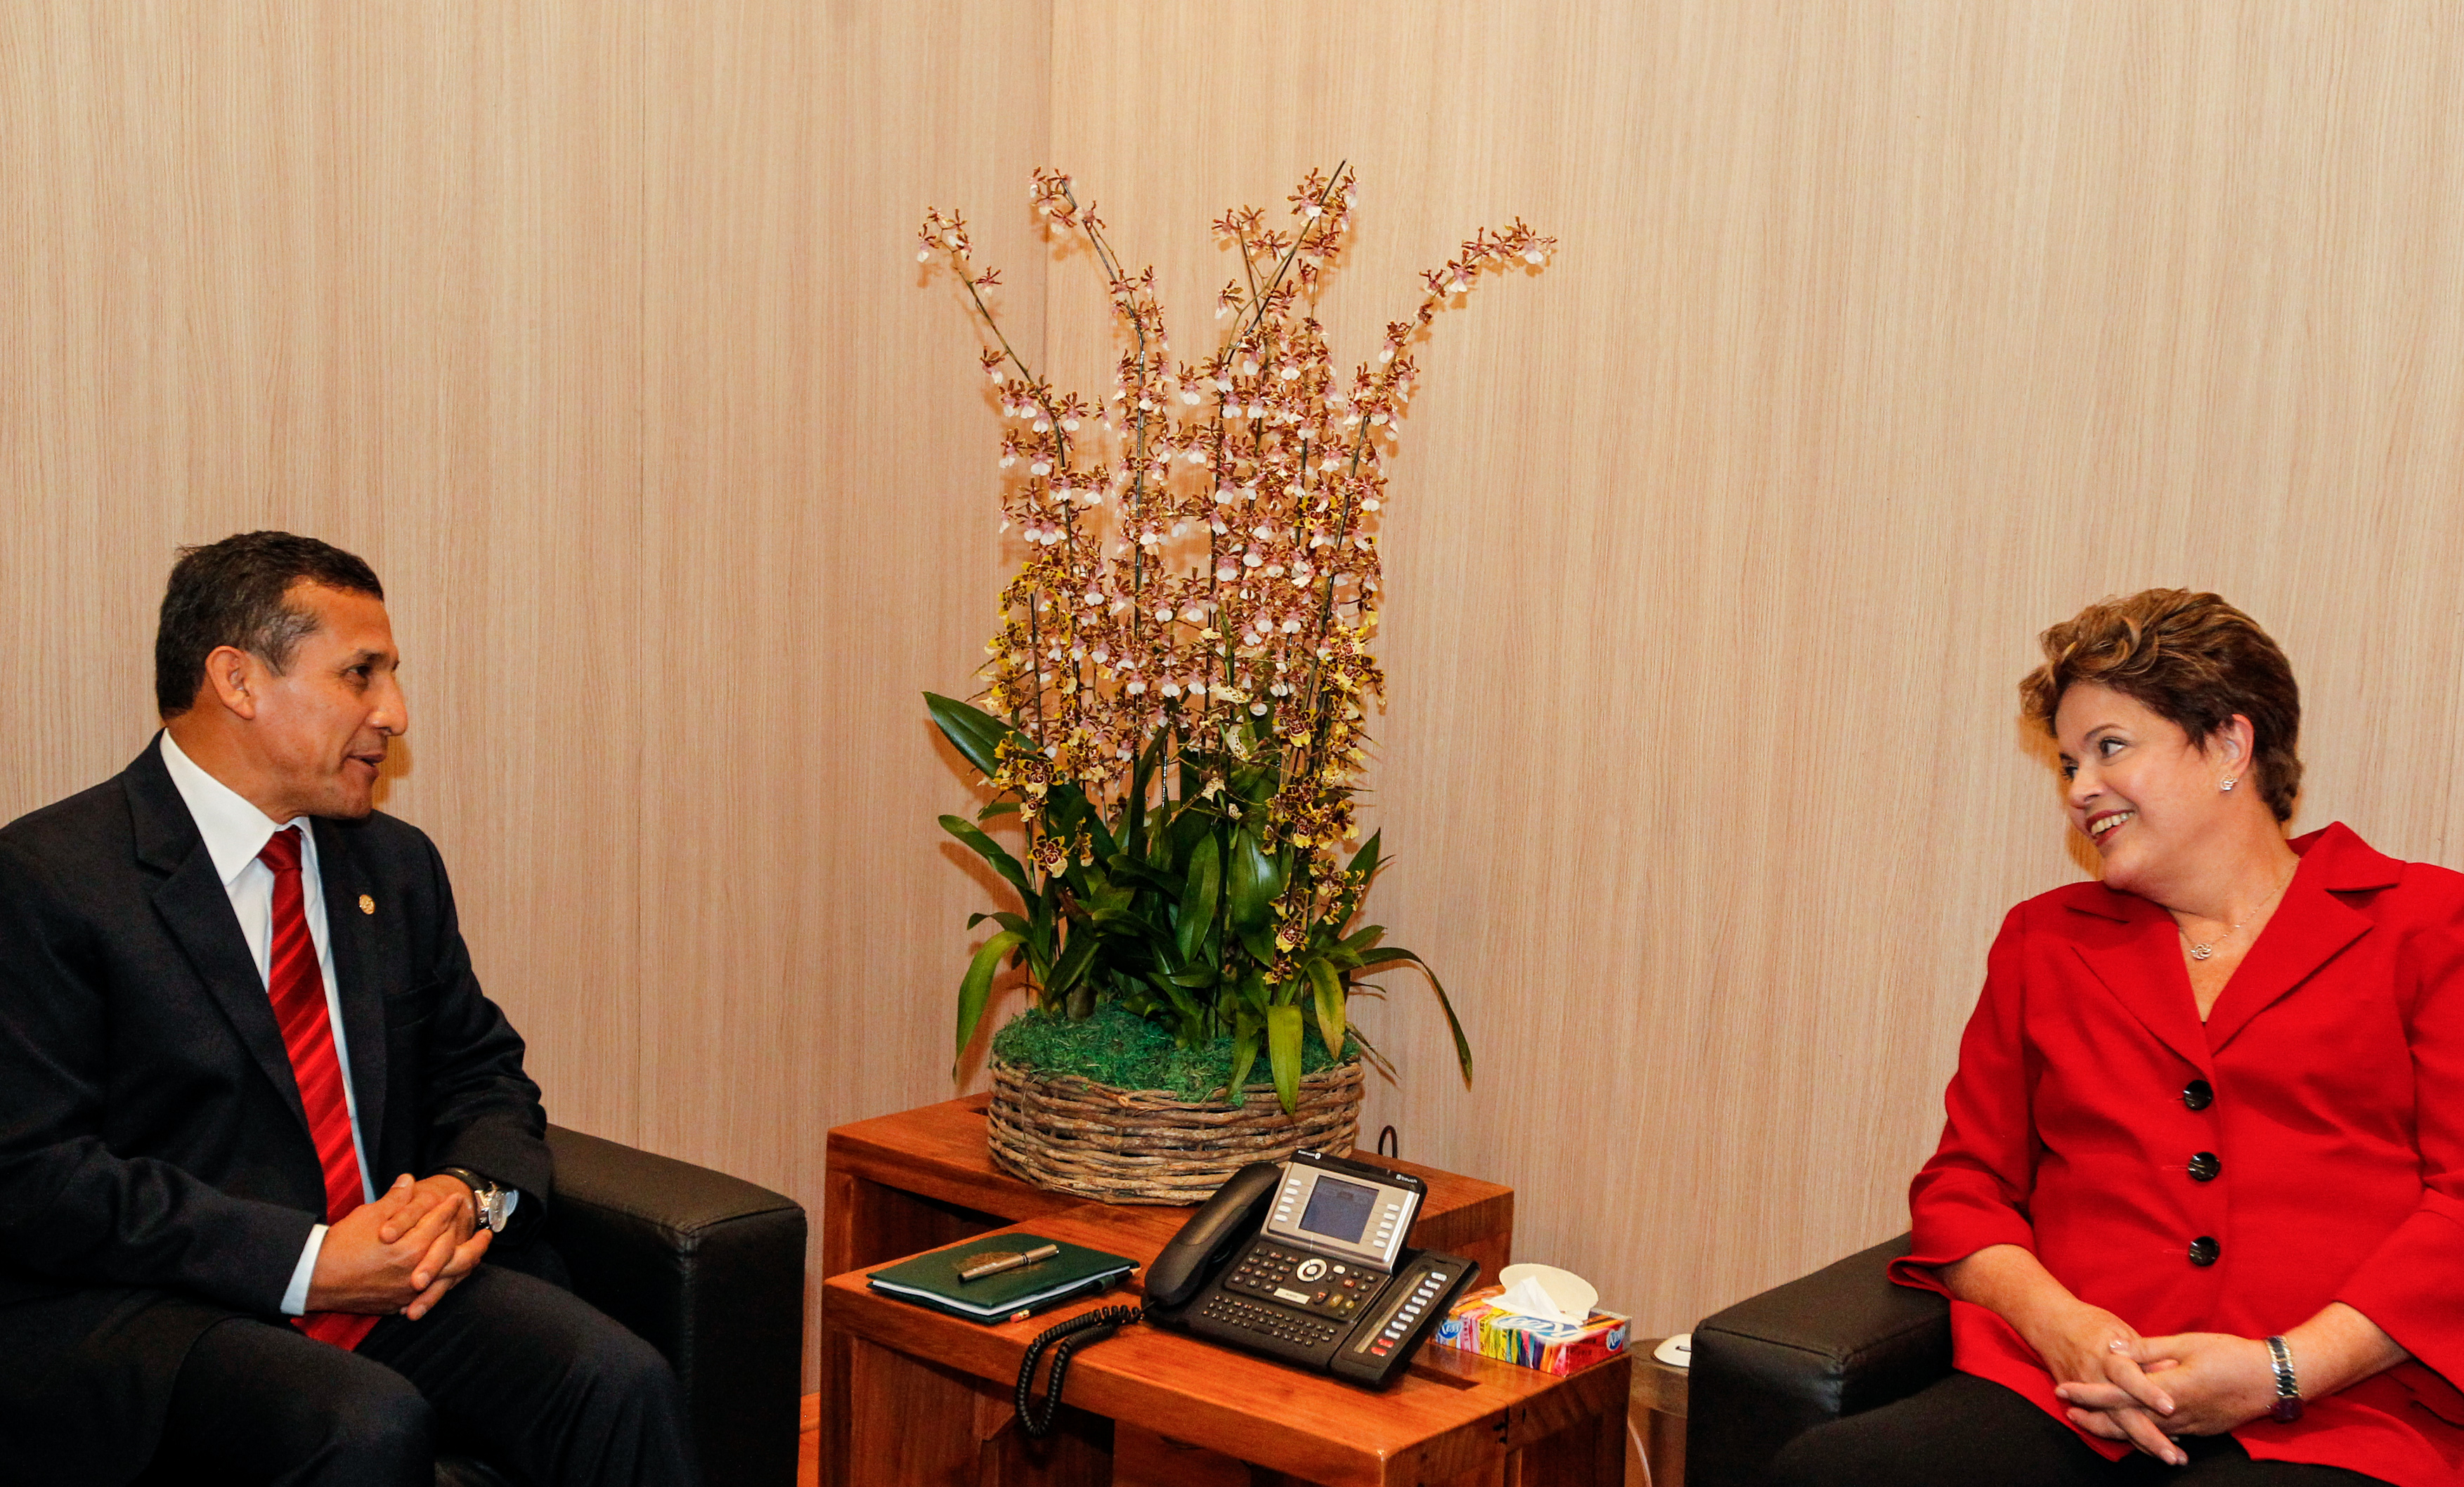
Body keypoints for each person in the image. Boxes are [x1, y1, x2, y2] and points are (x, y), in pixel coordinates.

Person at [0, 533, 699, 1486]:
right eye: (360, 675)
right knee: (364, 1424)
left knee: (616, 1379)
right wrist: (308, 1261)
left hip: (393, 1286)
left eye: (392, 676)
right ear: (238, 681)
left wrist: (467, 1198)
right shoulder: (52, 879)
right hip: (167, 1305)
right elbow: (37, 1176)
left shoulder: (392, 867)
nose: (395, 715)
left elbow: (484, 1078)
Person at [1775, 590, 2464, 1487]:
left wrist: (2281, 1369)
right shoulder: (2042, 940)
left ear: (2227, 743)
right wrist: (2066, 1330)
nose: (2078, 790)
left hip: (2334, 1416)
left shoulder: (2424, 925)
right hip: (2064, 1401)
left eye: (2109, 747)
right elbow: (1963, 1186)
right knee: (1821, 1474)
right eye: (2066, 762)